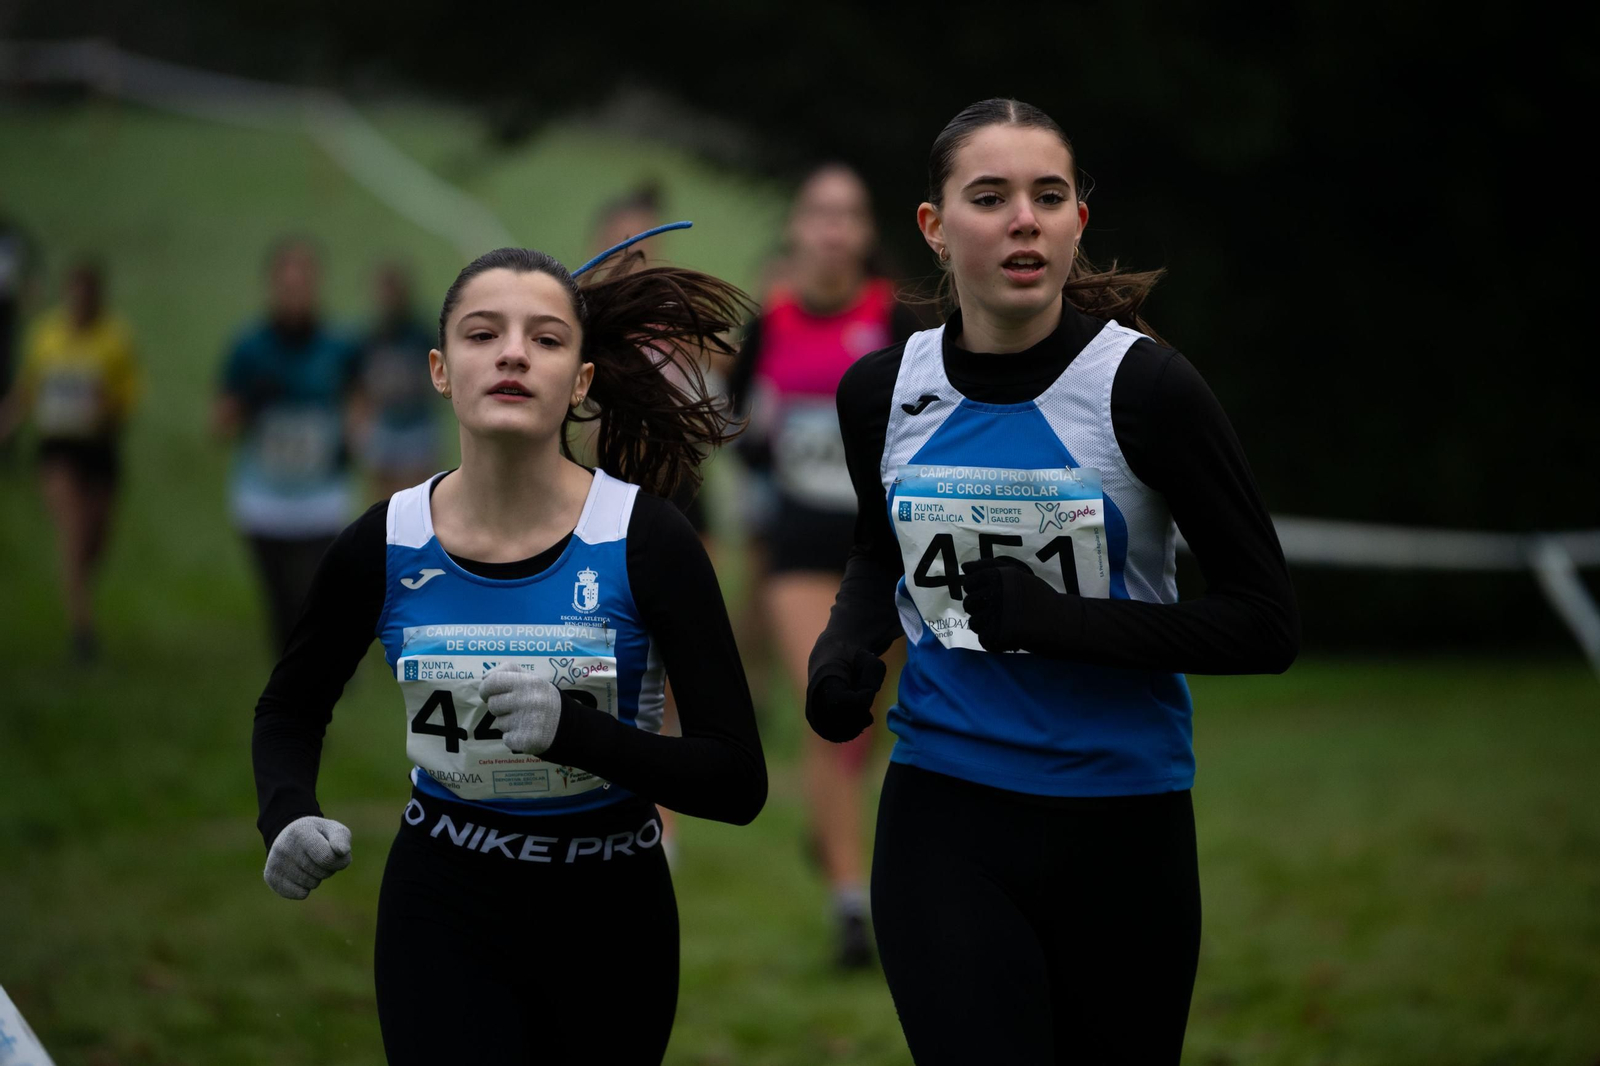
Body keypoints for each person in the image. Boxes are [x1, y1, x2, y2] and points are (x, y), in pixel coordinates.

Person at [806, 99, 1300, 1062]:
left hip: (1122, 824)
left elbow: (1264, 624)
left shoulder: (1148, 391)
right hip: (944, 811)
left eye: (1048, 195)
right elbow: (881, 553)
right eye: (989, 198)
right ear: (936, 228)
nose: (1022, 219)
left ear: (1079, 220)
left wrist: (1064, 624)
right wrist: (844, 650)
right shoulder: (881, 393)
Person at [249, 246, 766, 1063]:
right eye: (483, 334)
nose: (514, 353)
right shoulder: (383, 543)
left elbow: (737, 780)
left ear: (583, 381)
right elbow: (290, 707)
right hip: (442, 905)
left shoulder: (646, 540)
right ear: (440, 370)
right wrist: (287, 811)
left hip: (612, 918)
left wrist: (577, 732)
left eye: (548, 339)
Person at [725, 163, 918, 967]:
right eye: (818, 213)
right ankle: (850, 898)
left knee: (867, 721)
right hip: (800, 547)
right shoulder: (767, 327)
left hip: (892, 549)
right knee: (826, 689)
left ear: (867, 233)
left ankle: (830, 827)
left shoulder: (900, 322)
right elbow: (735, 418)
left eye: (848, 214)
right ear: (797, 229)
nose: (833, 229)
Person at [214, 238, 362, 652]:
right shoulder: (248, 349)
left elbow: (361, 403)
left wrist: (354, 435)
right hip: (263, 499)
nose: (295, 294)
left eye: (304, 283)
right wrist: (247, 406)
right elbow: (220, 422)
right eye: (287, 284)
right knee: (280, 601)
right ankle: (291, 676)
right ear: (272, 286)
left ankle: (329, 663)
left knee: (325, 589)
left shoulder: (340, 346)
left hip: (322, 497)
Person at [0, 260, 139, 661]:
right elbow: (29, 387)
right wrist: (7, 420)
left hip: (99, 448)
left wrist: (104, 408)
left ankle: (80, 589)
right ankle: (82, 630)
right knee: (73, 533)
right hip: (56, 448)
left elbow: (127, 397)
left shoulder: (115, 339)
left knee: (96, 539)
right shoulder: (46, 335)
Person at [354, 260, 442, 500]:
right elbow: (360, 384)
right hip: (384, 424)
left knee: (421, 495)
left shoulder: (421, 334)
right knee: (384, 500)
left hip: (418, 424)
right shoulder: (369, 336)